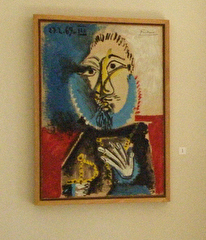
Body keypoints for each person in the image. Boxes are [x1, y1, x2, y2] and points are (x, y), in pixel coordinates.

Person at [61, 31, 155, 197]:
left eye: (113, 67)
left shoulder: (140, 134)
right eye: (91, 70)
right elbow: (68, 185)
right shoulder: (87, 137)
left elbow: (150, 191)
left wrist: (127, 175)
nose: (103, 87)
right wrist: (76, 189)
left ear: (131, 73)